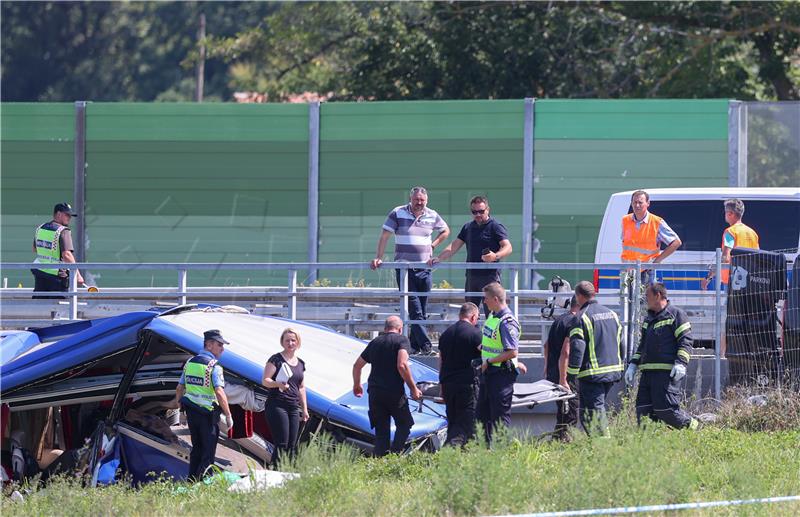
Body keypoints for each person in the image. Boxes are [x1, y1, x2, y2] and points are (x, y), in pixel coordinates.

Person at [371, 186, 450, 354]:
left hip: (424, 268)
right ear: (410, 199)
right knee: (415, 309)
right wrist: (379, 256)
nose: (419, 203)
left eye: (422, 200)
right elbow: (385, 236)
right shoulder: (398, 212)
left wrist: (433, 245)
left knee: (421, 308)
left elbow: (445, 230)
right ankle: (427, 346)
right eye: (416, 200)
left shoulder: (431, 214)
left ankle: (414, 346)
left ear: (426, 200)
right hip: (405, 269)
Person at [625, 283, 699, 430]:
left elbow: (686, 341)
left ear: (658, 295)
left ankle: (694, 427)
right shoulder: (649, 319)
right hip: (647, 374)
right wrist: (633, 364)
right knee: (643, 411)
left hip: (666, 373)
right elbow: (643, 345)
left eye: (647, 296)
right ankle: (649, 447)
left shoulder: (676, 315)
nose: (645, 299)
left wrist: (681, 363)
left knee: (666, 410)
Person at [429, 196, 512, 316]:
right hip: (472, 277)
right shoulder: (468, 227)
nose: (478, 214)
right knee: (469, 314)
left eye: (481, 211)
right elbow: (454, 246)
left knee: (493, 314)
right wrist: (439, 258)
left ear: (488, 210)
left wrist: (495, 256)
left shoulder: (495, 226)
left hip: (490, 277)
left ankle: (493, 334)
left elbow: (508, 247)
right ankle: (473, 335)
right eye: (474, 212)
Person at [352, 316, 423, 457]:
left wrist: (357, 384)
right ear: (400, 329)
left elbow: (357, 365)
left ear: (385, 329)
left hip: (375, 392)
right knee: (404, 424)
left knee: (381, 431)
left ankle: (379, 460)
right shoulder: (402, 340)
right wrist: (414, 388)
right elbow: (402, 365)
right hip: (394, 392)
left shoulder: (375, 342)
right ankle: (395, 456)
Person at [174, 329, 233, 481]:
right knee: (208, 452)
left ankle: (191, 480)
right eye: (219, 344)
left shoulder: (189, 363)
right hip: (207, 415)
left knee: (196, 449)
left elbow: (179, 388)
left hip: (192, 413)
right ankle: (204, 484)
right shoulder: (214, 366)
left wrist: (179, 408)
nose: (222, 348)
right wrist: (228, 415)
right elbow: (219, 392)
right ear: (209, 345)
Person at [567, 281, 624, 436]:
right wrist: (621, 365)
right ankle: (597, 443)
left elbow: (577, 349)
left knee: (594, 411)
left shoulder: (580, 318)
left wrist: (570, 374)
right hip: (613, 371)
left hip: (592, 374)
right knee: (586, 413)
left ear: (578, 296)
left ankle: (605, 447)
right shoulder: (612, 314)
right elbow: (621, 342)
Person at [476, 282, 520, 443]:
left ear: (495, 299)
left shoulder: (507, 321)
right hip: (489, 373)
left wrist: (490, 360)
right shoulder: (492, 316)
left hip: (501, 374)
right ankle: (485, 452)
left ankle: (500, 454)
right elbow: (493, 341)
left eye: (486, 298)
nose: (484, 302)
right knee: (482, 416)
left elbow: (512, 351)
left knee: (500, 418)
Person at [262, 328, 309, 467]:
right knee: (282, 443)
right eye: (287, 340)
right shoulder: (276, 359)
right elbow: (265, 380)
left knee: (292, 445)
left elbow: (301, 387)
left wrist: (305, 409)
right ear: (282, 342)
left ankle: (286, 473)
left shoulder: (300, 363)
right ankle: (274, 473)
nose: (290, 343)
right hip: (277, 404)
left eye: (293, 340)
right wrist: (278, 384)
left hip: (293, 406)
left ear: (298, 342)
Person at [438, 302, 482, 446]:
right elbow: (486, 356)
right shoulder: (475, 334)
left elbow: (441, 360)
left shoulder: (446, 334)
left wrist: (441, 385)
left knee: (453, 421)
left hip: (448, 384)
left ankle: (459, 461)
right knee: (465, 425)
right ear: (474, 316)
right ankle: (448, 454)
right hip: (466, 384)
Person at [621, 190, 681, 282]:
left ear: (648, 203)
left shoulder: (656, 222)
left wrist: (657, 261)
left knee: (647, 296)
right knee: (627, 297)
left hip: (647, 272)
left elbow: (676, 242)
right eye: (635, 202)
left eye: (640, 203)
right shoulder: (625, 220)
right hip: (628, 272)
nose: (637, 205)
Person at [701, 198, 760, 290]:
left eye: (725, 212)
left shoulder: (730, 232)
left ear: (730, 214)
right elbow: (758, 257)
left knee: (729, 304)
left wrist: (709, 276)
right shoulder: (753, 233)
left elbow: (725, 258)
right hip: (749, 280)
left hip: (733, 280)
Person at [543, 296, 580, 440]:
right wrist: (564, 379)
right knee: (570, 413)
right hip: (565, 376)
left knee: (562, 413)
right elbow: (566, 351)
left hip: (554, 373)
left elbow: (546, 345)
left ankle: (557, 442)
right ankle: (565, 445)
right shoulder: (574, 322)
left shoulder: (559, 320)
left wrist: (547, 367)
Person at [31, 202, 85, 298]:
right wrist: (78, 275)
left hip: (40, 274)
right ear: (59, 214)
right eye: (67, 215)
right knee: (60, 308)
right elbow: (67, 255)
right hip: (57, 277)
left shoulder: (40, 228)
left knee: (41, 306)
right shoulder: (63, 231)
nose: (69, 218)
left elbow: (35, 249)